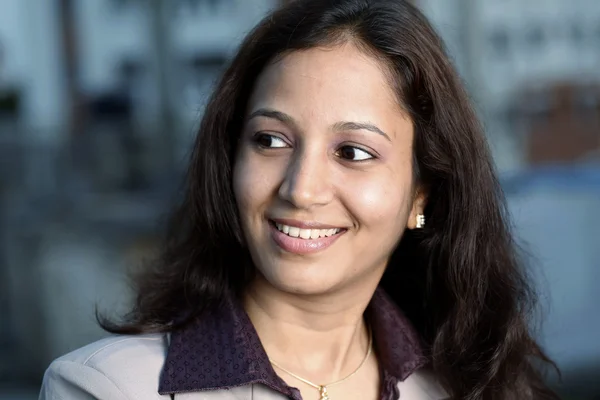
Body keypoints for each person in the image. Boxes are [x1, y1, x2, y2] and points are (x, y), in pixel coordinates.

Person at [39, 0, 560, 399]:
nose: (300, 189)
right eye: (270, 140)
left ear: (420, 194)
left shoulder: (462, 386)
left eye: (353, 152)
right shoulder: (107, 387)